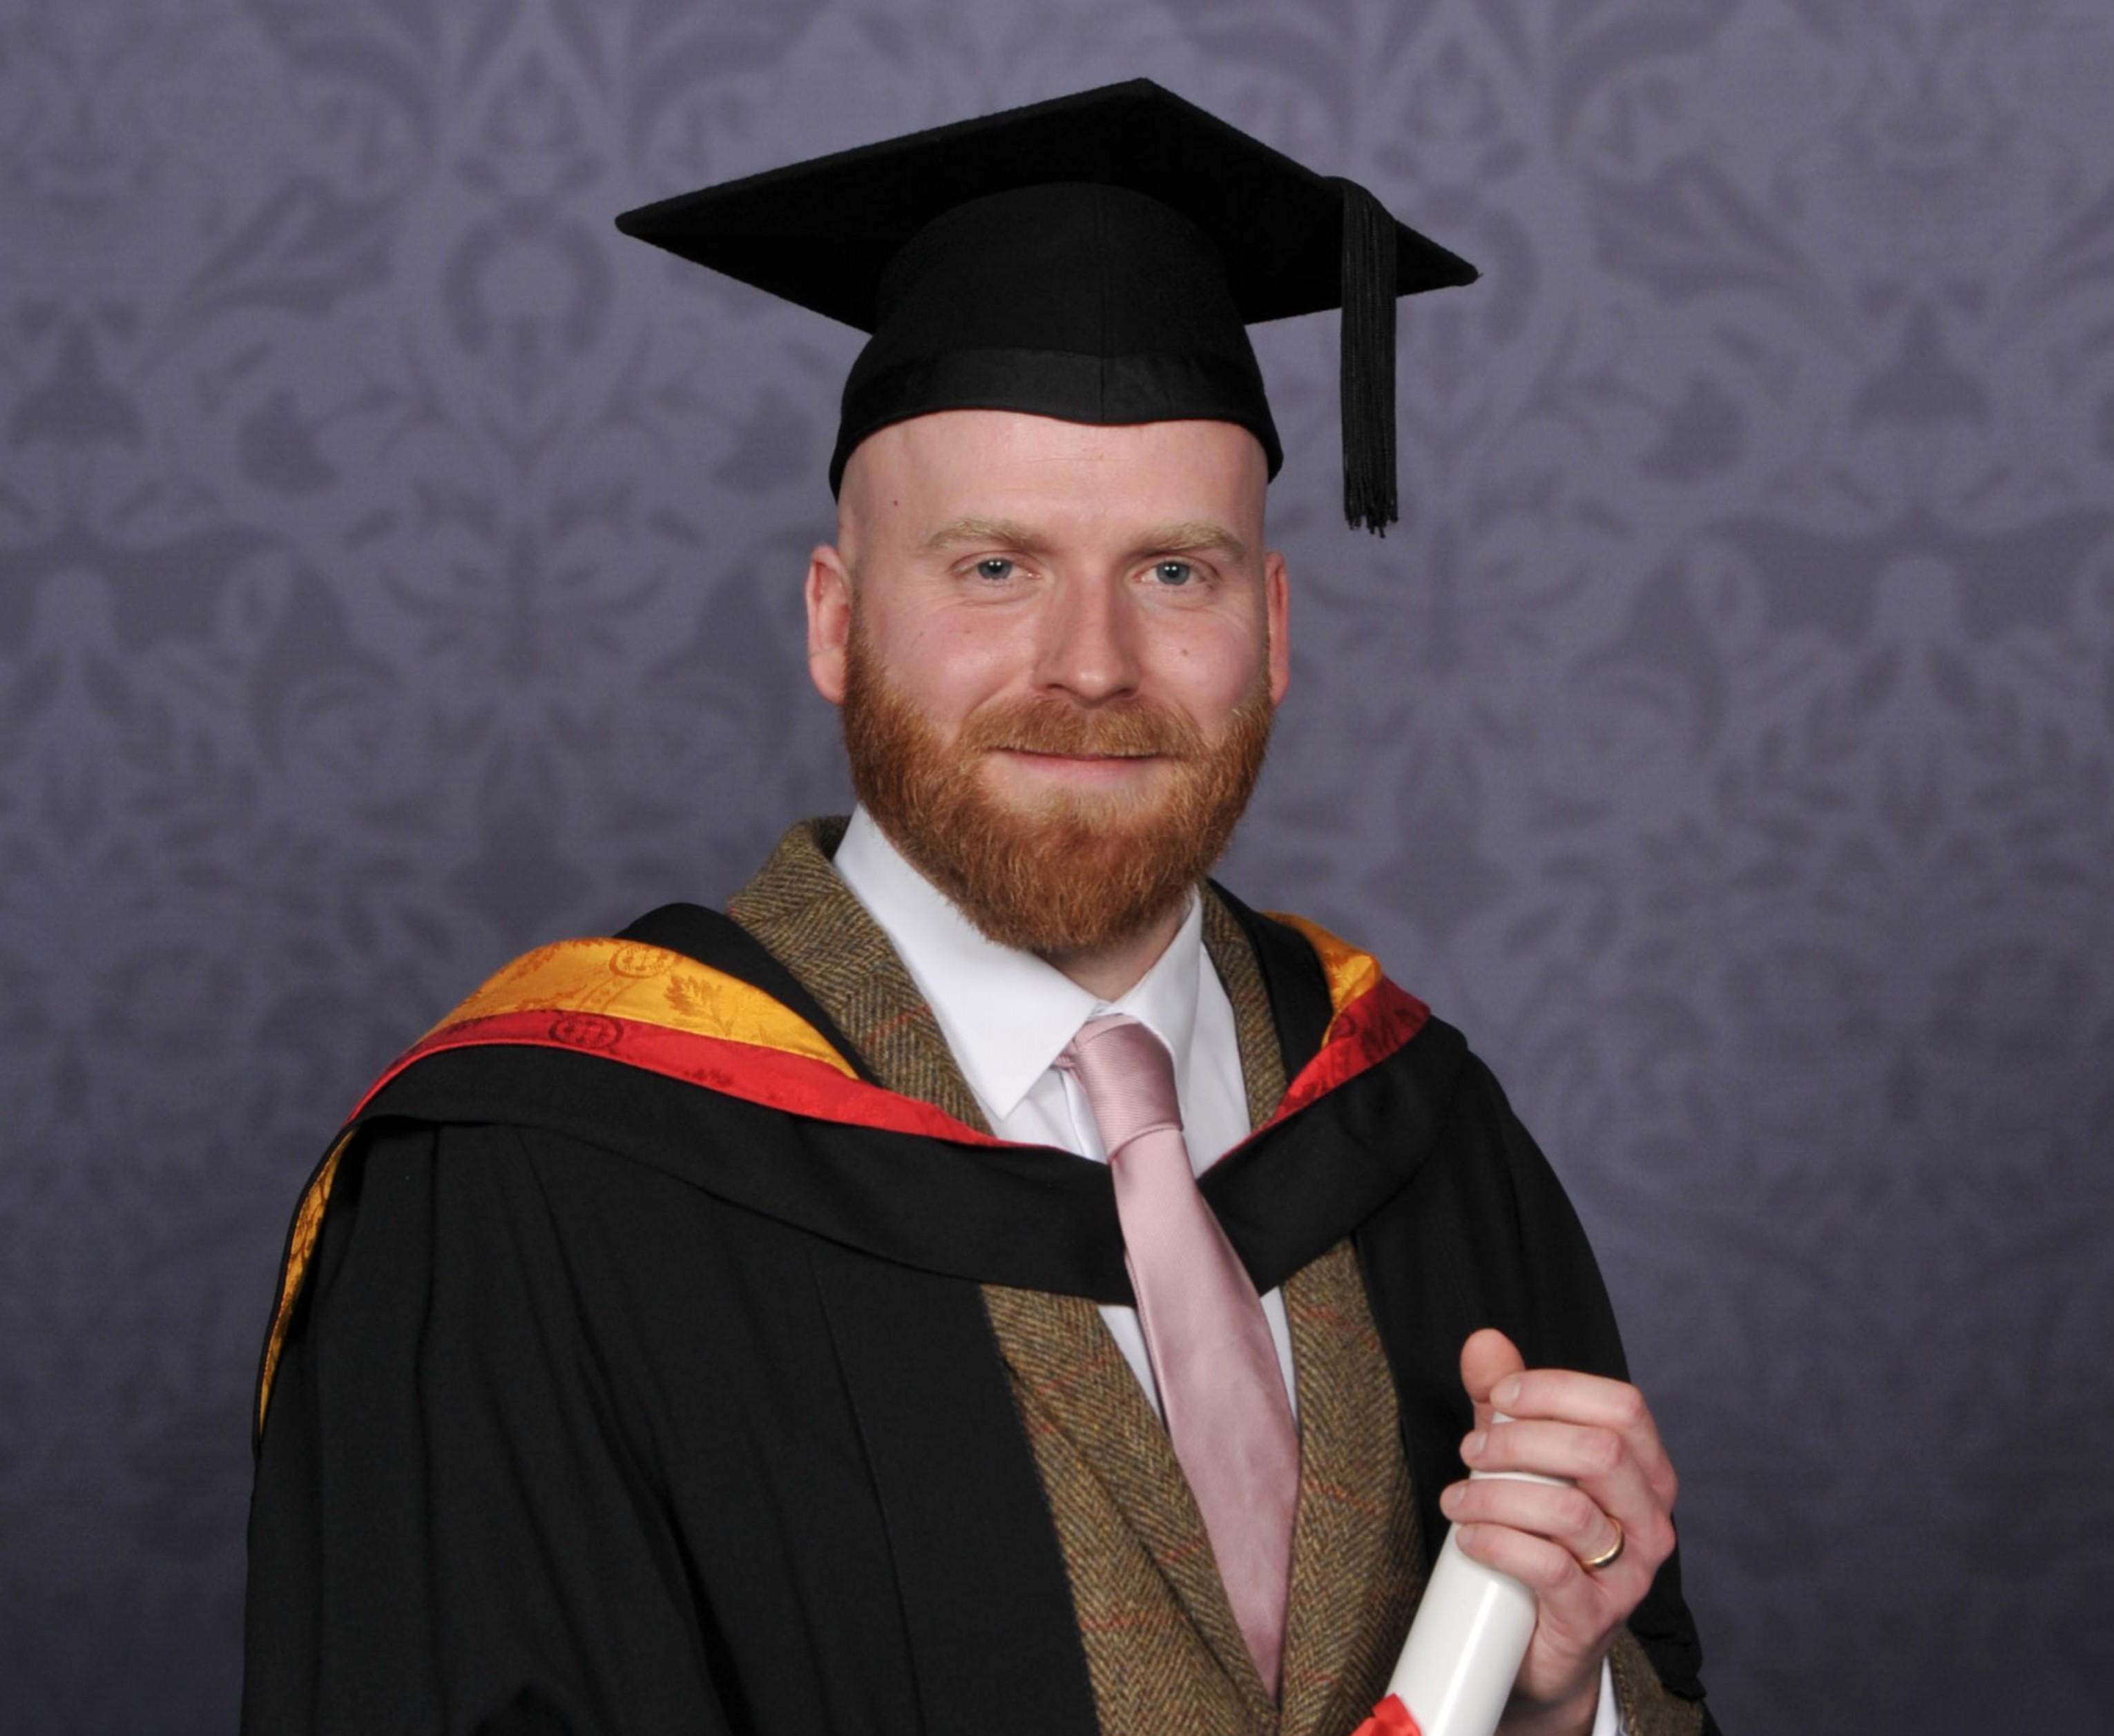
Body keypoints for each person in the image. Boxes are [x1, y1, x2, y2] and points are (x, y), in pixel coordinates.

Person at [243, 81, 1716, 1736]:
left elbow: (1657, 1693)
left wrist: (1562, 1705)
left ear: (1275, 627)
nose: (1091, 664)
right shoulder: (545, 1179)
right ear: (835, 620)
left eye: (1176, 571)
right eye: (993, 567)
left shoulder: (1412, 1127)